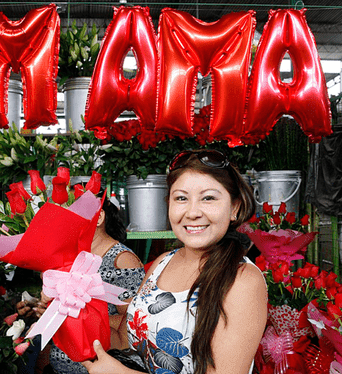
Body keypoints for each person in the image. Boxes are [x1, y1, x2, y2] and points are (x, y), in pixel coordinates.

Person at [82, 149, 268, 374]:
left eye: (208, 198)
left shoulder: (243, 279)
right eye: (181, 198)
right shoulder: (163, 263)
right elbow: (125, 341)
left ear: (235, 208)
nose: (192, 212)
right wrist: (68, 307)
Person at [16, 190, 146, 374]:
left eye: (73, 215)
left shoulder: (122, 259)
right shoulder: (71, 259)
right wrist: (42, 310)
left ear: (99, 217)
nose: (66, 223)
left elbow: (133, 323)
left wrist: (74, 316)